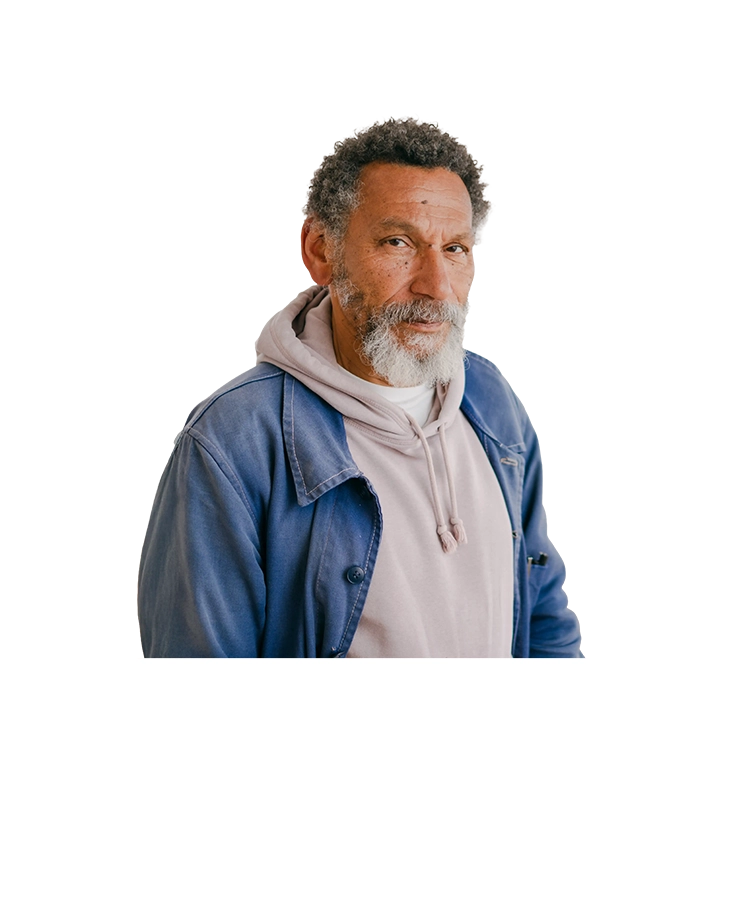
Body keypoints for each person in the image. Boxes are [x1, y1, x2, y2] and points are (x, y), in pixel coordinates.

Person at [138, 117, 583, 658]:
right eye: (398, 242)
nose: (436, 286)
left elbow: (542, 615)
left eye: (456, 249)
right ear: (320, 251)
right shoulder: (234, 442)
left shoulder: (491, 404)